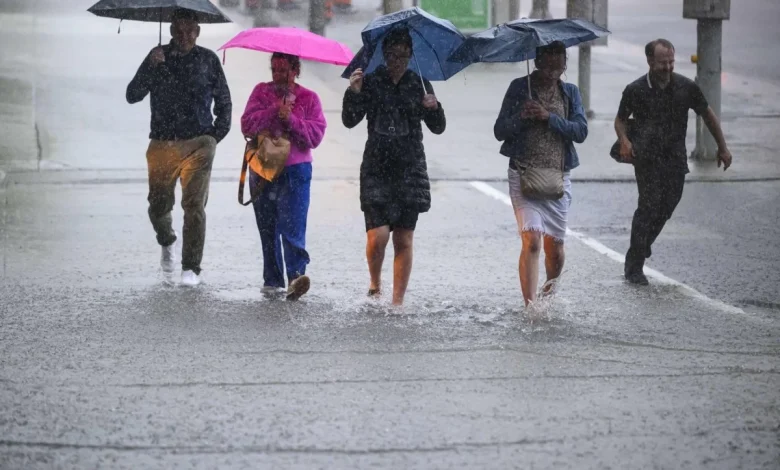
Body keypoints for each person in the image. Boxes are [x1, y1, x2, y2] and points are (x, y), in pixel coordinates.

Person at [126, 8, 232, 287]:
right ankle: (166, 239)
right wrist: (151, 67)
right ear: (171, 31)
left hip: (199, 143)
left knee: (194, 205)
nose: (184, 36)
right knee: (158, 205)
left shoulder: (208, 60)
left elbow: (224, 101)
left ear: (198, 32)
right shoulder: (157, 56)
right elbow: (132, 95)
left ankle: (191, 267)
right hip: (162, 142)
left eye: (190, 31)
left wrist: (214, 137)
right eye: (179, 30)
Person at [615, 38, 732, 285]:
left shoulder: (685, 87)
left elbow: (707, 115)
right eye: (662, 63)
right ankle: (634, 267)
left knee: (668, 205)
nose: (668, 67)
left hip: (675, 158)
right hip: (646, 159)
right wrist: (624, 141)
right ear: (649, 61)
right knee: (648, 208)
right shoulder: (635, 89)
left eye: (671, 62)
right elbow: (620, 120)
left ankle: (642, 243)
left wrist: (722, 147)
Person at [342, 27, 446, 306]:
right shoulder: (372, 81)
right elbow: (350, 120)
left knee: (404, 238)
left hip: (410, 169)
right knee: (378, 236)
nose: (397, 60)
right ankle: (375, 283)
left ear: (410, 55)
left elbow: (438, 127)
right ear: (384, 55)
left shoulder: (419, 83)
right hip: (377, 167)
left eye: (402, 55)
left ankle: (397, 301)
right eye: (392, 55)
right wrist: (354, 92)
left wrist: (434, 108)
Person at [493, 41, 588, 310]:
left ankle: (549, 289)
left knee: (554, 247)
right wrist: (522, 117)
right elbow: (500, 130)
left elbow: (581, 131)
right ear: (537, 61)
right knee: (532, 239)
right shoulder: (519, 88)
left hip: (558, 175)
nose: (553, 70)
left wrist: (549, 117)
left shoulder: (570, 92)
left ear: (565, 65)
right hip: (524, 173)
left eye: (559, 65)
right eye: (548, 63)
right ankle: (531, 306)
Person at [241, 53, 326, 300]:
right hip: (263, 169)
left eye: (284, 70)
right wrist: (272, 112)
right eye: (274, 70)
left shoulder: (309, 98)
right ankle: (272, 279)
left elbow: (314, 137)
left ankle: (296, 277)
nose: (278, 75)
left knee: (294, 226)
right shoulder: (261, 92)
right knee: (267, 228)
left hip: (296, 170)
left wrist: (291, 119)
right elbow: (247, 124)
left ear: (296, 70)